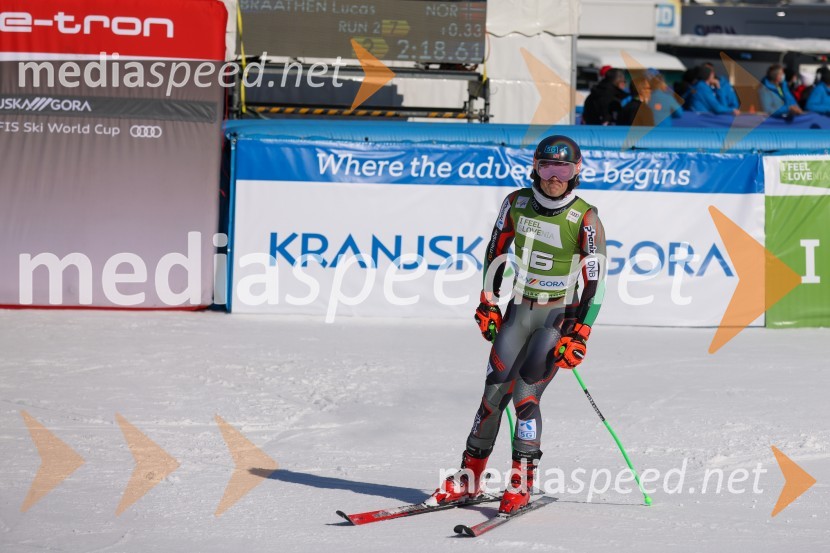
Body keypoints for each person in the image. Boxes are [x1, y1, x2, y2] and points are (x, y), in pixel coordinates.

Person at [426, 135, 607, 514]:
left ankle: (521, 483)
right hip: (518, 312)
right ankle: (469, 478)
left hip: (558, 317)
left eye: (563, 170)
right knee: (492, 396)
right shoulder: (516, 203)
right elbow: (496, 251)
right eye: (547, 167)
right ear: (535, 168)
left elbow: (596, 281)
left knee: (526, 396)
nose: (554, 177)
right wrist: (488, 301)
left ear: (577, 172)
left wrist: (581, 333)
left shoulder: (585, 218)